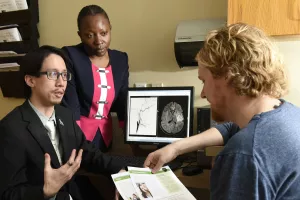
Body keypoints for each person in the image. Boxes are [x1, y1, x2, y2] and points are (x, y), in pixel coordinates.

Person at [144, 23, 300, 199]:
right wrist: (175, 148)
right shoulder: (289, 114)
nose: (202, 94)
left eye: (203, 81)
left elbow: (245, 142)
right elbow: (231, 128)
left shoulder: (243, 154)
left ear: (227, 76)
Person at [0, 46, 125, 200]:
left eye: (64, 75)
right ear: (31, 80)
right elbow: (7, 194)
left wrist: (120, 171)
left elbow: (87, 152)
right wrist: (45, 191)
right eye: (53, 74)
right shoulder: (11, 129)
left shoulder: (64, 114)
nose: (61, 83)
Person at [62, 5, 129, 152]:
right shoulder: (70, 56)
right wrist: (76, 144)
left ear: (110, 28)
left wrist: (131, 139)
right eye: (90, 35)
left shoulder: (120, 59)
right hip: (77, 136)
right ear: (80, 35)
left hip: (106, 135)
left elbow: (123, 102)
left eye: (104, 33)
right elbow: (71, 106)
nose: (99, 41)